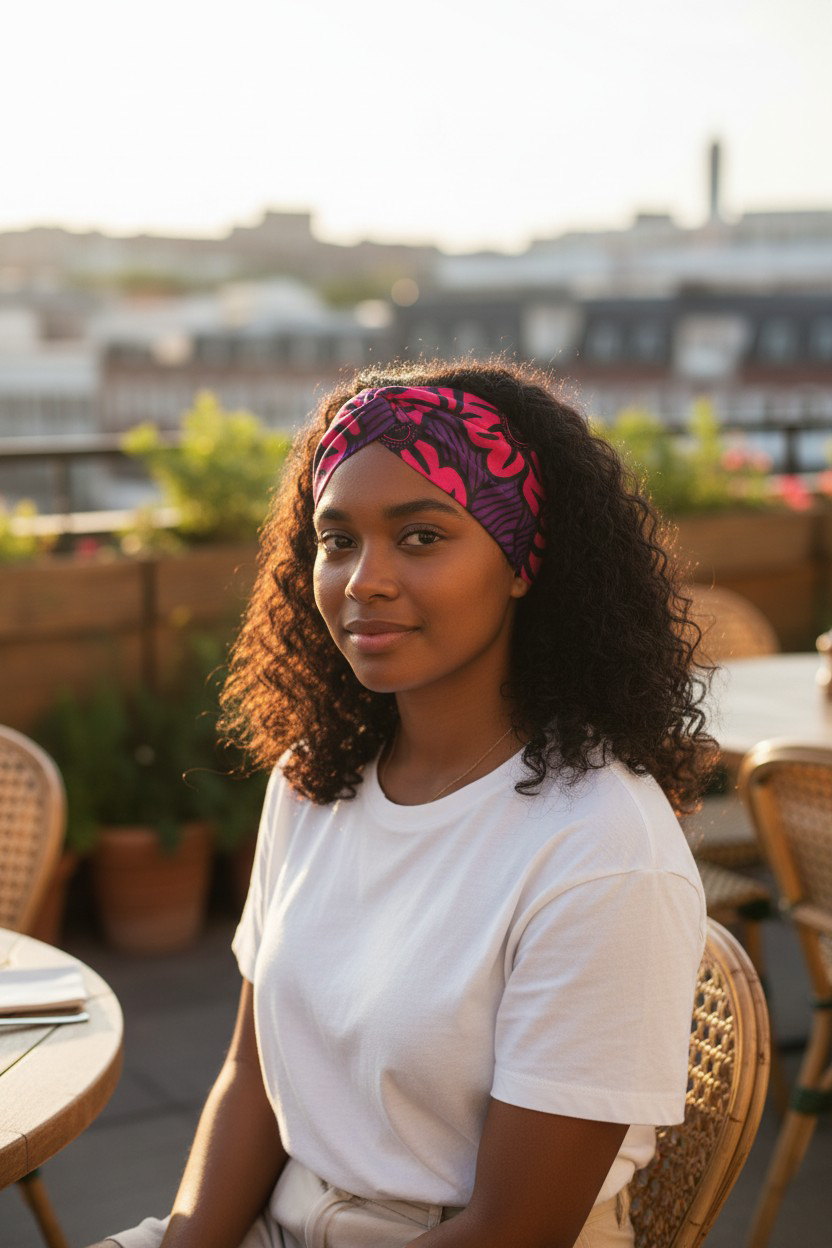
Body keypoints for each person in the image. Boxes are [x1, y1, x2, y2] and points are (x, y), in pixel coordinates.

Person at [92, 360, 714, 1248]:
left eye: (421, 537)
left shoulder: (601, 850)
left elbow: (516, 1228)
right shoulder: (314, 779)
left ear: (522, 561)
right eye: (336, 539)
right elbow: (252, 1080)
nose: (363, 580)